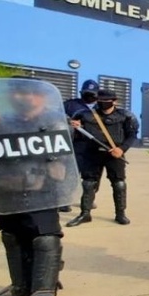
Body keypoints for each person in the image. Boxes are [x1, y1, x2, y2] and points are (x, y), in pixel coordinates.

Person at [0, 79, 78, 296]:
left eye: (30, 93)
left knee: (45, 238)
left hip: (42, 192)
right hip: (7, 189)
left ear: (41, 97)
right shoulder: (1, 122)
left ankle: (44, 287)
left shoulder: (54, 121)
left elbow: (62, 163)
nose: (25, 97)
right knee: (12, 236)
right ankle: (20, 285)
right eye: (18, 93)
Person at [66, 89, 140, 227]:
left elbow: (132, 135)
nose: (103, 104)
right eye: (100, 101)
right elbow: (73, 133)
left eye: (106, 101)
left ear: (114, 101)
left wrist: (121, 149)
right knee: (88, 183)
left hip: (114, 153)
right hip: (92, 153)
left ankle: (120, 213)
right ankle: (85, 213)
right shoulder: (84, 115)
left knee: (119, 183)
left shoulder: (125, 116)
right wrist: (74, 126)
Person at [62, 79, 100, 212]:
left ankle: (89, 199)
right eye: (87, 93)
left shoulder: (101, 108)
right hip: (76, 143)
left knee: (92, 175)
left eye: (92, 94)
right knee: (71, 172)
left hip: (94, 145)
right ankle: (65, 200)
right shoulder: (70, 105)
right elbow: (56, 117)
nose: (89, 96)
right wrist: (69, 122)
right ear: (81, 92)